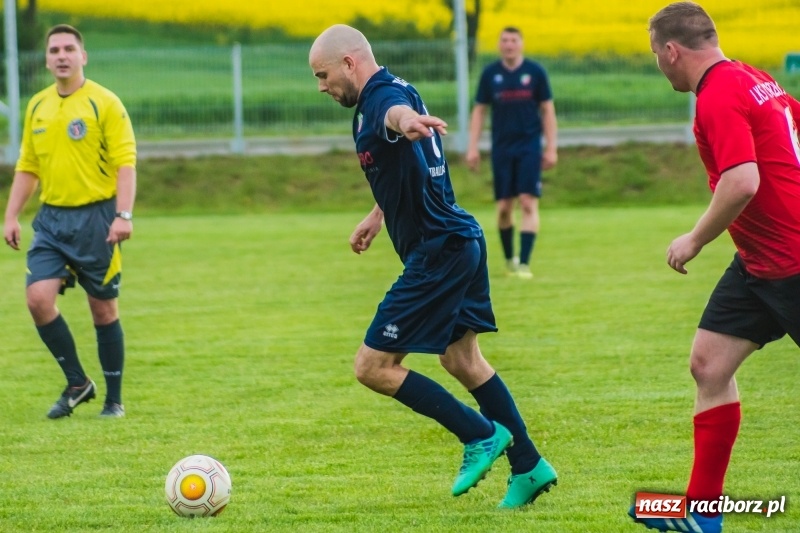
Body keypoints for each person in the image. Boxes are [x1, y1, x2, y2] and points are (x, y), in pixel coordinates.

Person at [309, 24, 557, 508]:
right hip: (459, 239)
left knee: (373, 367)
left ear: (349, 63)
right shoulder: (400, 86)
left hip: (437, 251)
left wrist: (406, 123)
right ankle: (528, 465)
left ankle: (479, 434)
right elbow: (405, 157)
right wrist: (379, 212)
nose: (321, 87)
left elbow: (395, 121)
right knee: (461, 358)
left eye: (322, 75)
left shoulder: (382, 101)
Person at [628, 3, 800, 532]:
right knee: (709, 365)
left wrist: (695, 239)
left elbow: (742, 181)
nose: (660, 65)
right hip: (759, 263)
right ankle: (702, 515)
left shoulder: (718, 96)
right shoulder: (753, 77)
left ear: (672, 51)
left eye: (658, 56)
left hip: (792, 260)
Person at [3, 24, 137, 419]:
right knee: (37, 299)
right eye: (54, 50)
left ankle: (114, 400)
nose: (61, 55)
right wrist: (11, 215)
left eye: (69, 49)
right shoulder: (38, 105)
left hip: (97, 218)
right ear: (46, 59)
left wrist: (122, 215)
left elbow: (125, 163)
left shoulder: (105, 103)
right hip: (52, 221)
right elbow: (28, 166)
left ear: (83, 56)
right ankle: (78, 383)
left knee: (103, 310)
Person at [466, 27, 558, 279]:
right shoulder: (490, 74)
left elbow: (547, 111)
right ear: (499, 45)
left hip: (529, 148)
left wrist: (551, 147)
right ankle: (510, 260)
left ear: (521, 44)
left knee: (528, 202)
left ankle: (524, 264)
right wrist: (472, 146)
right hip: (502, 149)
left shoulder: (535, 73)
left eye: (513, 40)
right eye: (504, 40)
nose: (509, 45)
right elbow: (479, 111)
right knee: (505, 207)